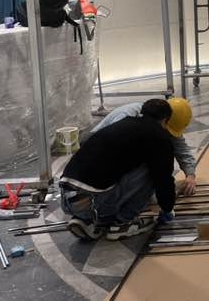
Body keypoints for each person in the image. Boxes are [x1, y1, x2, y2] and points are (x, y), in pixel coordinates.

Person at [60, 99, 177, 241]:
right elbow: (163, 179)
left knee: (115, 170)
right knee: (152, 170)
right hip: (94, 201)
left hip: (67, 198)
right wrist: (167, 208)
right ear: (165, 119)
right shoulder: (159, 137)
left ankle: (87, 219)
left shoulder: (124, 124)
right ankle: (122, 224)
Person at [91, 97, 196, 196]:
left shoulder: (164, 120)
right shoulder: (127, 116)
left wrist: (190, 175)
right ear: (164, 118)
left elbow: (181, 149)